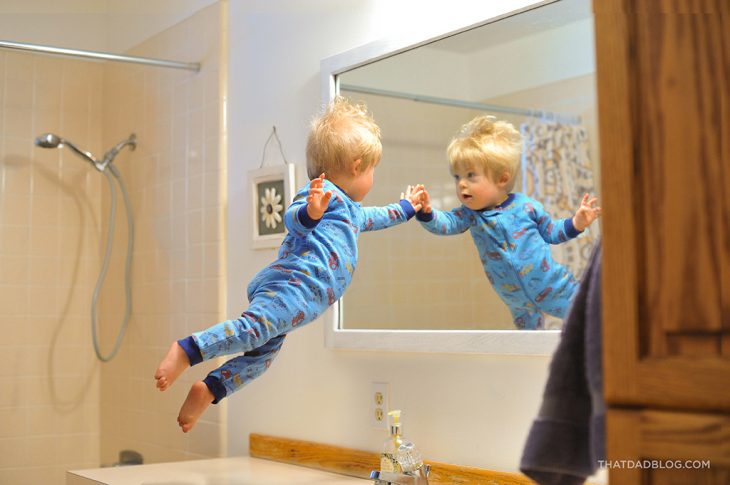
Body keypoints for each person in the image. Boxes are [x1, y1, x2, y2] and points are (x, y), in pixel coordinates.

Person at [154, 97, 424, 432]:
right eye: (372, 170)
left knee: (260, 358)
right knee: (251, 331)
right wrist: (311, 212)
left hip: (297, 304)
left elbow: (381, 216)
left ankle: (210, 388)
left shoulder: (352, 212)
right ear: (356, 166)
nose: (372, 178)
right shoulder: (322, 194)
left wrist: (407, 207)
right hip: (289, 288)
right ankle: (187, 350)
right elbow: (292, 219)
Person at [416, 115, 600, 330]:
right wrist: (427, 213)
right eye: (457, 177)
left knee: (591, 319)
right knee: (526, 346)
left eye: (470, 176)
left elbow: (552, 233)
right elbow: (445, 224)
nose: (462, 184)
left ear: (502, 179)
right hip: (516, 301)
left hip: (552, 286)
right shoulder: (469, 215)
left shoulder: (526, 207)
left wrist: (576, 222)